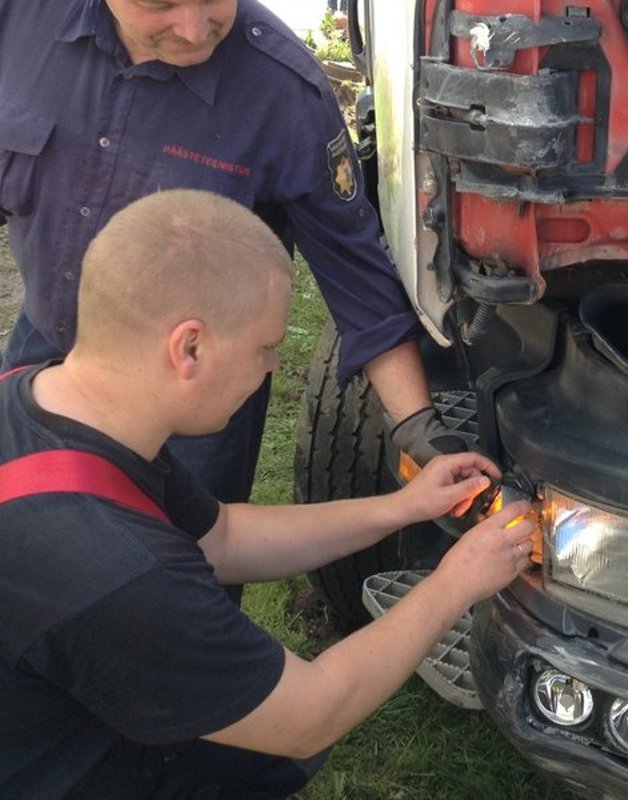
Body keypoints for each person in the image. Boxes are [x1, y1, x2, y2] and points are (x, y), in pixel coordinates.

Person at [0, 189, 537, 798]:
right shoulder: (116, 571)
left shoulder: (43, 399)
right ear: (190, 347)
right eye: (264, 347)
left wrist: (405, 506)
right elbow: (309, 716)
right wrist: (459, 579)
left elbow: (223, 535)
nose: (272, 369)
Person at [0, 0, 480, 505]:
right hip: (44, 357)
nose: (191, 29)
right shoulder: (21, 16)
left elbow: (357, 276)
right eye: (159, 5)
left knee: (183, 567)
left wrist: (416, 427)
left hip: (191, 404)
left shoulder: (283, 92)